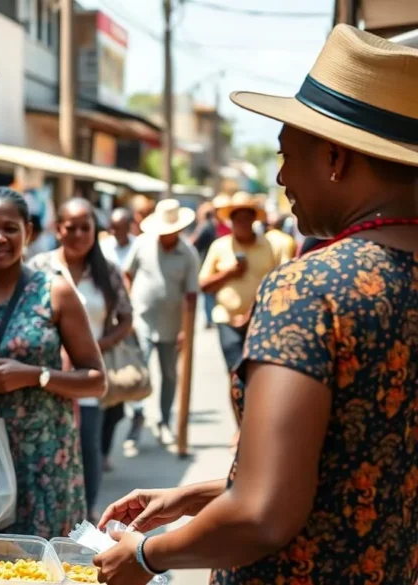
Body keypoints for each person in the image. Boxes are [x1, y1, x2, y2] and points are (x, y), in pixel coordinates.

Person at [94, 25, 418, 585]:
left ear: (336, 157)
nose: (282, 178)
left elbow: (264, 512)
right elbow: (350, 466)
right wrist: (193, 496)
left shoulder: (309, 289)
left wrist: (148, 554)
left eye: (288, 156)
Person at [0, 186, 106, 538]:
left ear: (29, 233)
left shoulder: (55, 292)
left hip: (45, 461)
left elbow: (97, 380)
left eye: (9, 228)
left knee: (43, 566)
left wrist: (33, 376)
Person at [29, 198, 133, 521]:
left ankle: (85, 519)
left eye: (85, 227)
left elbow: (126, 319)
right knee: (45, 456)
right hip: (44, 380)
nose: (77, 234)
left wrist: (94, 347)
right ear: (58, 229)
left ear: (95, 230)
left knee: (88, 452)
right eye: (70, 227)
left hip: (88, 381)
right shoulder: (38, 268)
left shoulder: (108, 272)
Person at [122, 199, 199, 455]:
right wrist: (127, 309)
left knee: (168, 375)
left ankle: (164, 421)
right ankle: (137, 420)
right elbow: (127, 274)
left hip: (172, 324)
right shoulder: (142, 243)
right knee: (138, 372)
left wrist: (186, 331)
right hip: (141, 319)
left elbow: (191, 296)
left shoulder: (188, 254)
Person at [199, 192, 279, 376]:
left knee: (257, 374)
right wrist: (230, 273)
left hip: (260, 321)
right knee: (235, 372)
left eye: (246, 219)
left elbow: (277, 284)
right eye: (238, 220)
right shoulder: (219, 246)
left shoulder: (269, 246)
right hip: (227, 320)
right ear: (232, 222)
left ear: (253, 220)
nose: (242, 224)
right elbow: (203, 285)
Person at [189, 199, 221, 329]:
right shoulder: (211, 225)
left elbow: (193, 242)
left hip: (205, 263)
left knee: (207, 293)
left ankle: (210, 319)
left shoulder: (206, 226)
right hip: (207, 262)